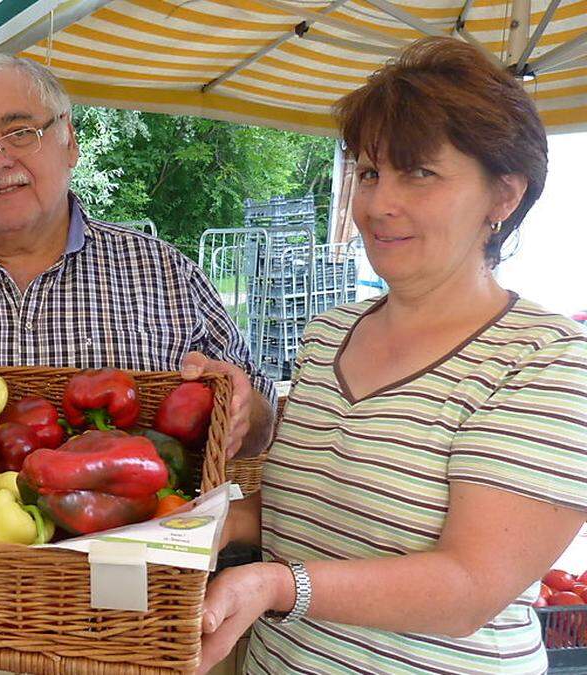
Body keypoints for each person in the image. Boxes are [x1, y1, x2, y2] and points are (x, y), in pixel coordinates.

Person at [198, 36, 587, 674]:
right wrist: (191, 525)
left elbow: (468, 588)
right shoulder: (329, 334)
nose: (379, 204)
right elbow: (311, 511)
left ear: (503, 196)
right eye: (371, 172)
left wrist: (274, 585)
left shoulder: (547, 361)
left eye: (420, 173)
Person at [0, 54, 275, 460]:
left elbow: (261, 422)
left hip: (125, 552)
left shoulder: (165, 273)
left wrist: (244, 409)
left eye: (19, 133)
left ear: (70, 142)